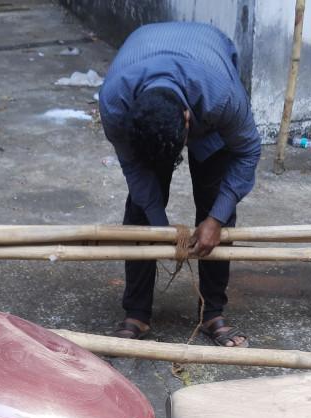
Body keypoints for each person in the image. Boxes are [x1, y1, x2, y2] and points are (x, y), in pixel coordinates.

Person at [98, 22, 261, 348]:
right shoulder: (115, 103)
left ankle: (212, 312)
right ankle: (137, 312)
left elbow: (248, 151)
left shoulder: (222, 96)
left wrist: (215, 219)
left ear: (188, 120)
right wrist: (160, 227)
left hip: (206, 64)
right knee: (140, 210)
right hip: (146, 55)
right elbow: (135, 169)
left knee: (216, 197)